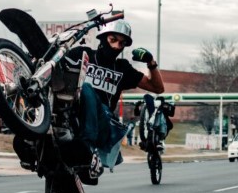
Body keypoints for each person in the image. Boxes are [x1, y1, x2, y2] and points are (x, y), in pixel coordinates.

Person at [64, 19, 164, 181]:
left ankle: (88, 150)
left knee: (87, 89)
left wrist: (150, 63)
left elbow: (158, 88)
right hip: (73, 115)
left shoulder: (122, 68)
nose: (117, 46)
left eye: (122, 43)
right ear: (103, 38)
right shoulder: (83, 54)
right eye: (113, 40)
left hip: (103, 123)